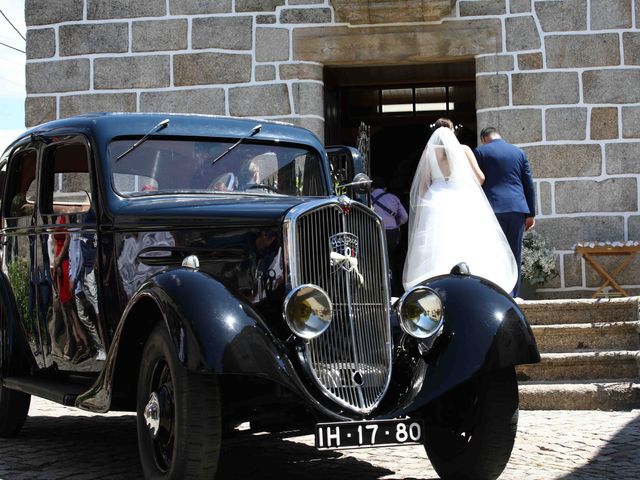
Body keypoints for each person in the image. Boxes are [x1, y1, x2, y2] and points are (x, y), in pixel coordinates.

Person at [403, 119, 517, 294]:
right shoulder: (463, 150)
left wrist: (420, 210)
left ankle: (437, 287)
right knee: (467, 238)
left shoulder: (429, 153)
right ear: (452, 132)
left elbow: (424, 184)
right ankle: (472, 285)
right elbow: (480, 178)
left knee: (436, 243)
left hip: (436, 198)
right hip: (461, 196)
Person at [474, 126, 536, 297]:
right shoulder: (518, 153)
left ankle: (497, 294)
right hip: (517, 208)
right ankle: (514, 295)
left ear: (484, 139)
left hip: (492, 209)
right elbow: (528, 184)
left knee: (494, 252)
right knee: (514, 252)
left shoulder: (480, 152)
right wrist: (531, 214)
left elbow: (475, 181)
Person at [371, 177, 408, 296]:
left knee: (375, 260)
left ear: (371, 188)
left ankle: (376, 290)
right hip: (392, 234)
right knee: (390, 259)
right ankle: (394, 289)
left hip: (375, 233)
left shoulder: (367, 199)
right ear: (385, 188)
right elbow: (405, 217)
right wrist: (396, 224)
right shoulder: (393, 197)